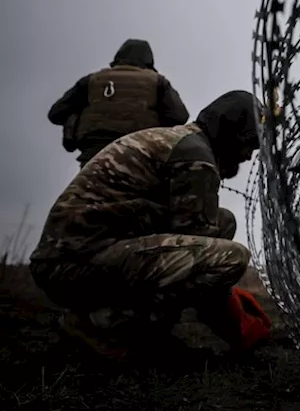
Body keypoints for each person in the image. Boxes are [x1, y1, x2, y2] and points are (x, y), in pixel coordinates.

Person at [29, 90, 267, 362]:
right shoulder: (196, 157)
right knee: (233, 257)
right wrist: (236, 321)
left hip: (77, 255)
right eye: (248, 144)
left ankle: (128, 324)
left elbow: (194, 236)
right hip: (73, 264)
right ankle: (106, 327)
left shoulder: (183, 141)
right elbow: (199, 254)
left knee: (223, 221)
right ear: (231, 133)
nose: (248, 156)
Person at [48, 39, 189, 167]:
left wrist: (80, 116)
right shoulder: (157, 82)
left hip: (94, 154)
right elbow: (180, 116)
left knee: (92, 193)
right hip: (139, 152)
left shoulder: (92, 80)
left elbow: (56, 113)